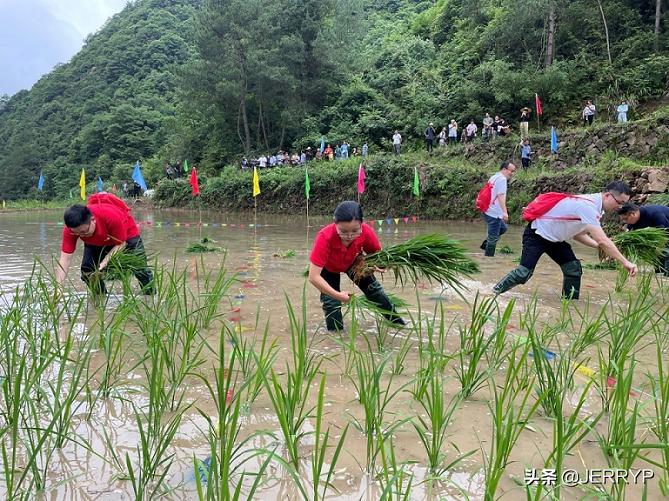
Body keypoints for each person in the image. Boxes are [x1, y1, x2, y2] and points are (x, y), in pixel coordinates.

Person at [493, 181, 638, 299]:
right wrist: (625, 262)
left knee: (573, 269)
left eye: (623, 204)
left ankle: (569, 305)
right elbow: (603, 240)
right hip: (537, 235)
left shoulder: (596, 207)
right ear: (607, 196)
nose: (620, 207)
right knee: (523, 273)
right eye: (619, 202)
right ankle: (493, 293)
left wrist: (598, 246)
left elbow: (578, 235)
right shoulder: (588, 206)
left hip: (556, 241)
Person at [308, 201, 405, 331]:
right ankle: (336, 338)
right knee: (332, 304)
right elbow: (313, 277)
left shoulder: (366, 232)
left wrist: (380, 266)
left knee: (375, 291)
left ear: (362, 223)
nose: (349, 236)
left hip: (353, 262)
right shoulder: (325, 237)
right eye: (343, 231)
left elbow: (378, 257)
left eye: (355, 231)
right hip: (329, 267)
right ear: (334, 223)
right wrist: (338, 296)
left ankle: (398, 325)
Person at [55, 195, 154, 296]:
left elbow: (121, 244)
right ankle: (100, 298)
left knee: (141, 269)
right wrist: (58, 288)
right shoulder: (71, 230)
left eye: (84, 232)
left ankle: (151, 297)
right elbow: (65, 259)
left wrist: (104, 263)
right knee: (88, 273)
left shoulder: (111, 217)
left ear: (93, 220)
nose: (81, 236)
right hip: (97, 241)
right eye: (77, 233)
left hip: (126, 236)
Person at [618, 202, 669, 275]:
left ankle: (667, 273)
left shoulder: (654, 214)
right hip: (662, 232)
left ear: (633, 214)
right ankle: (659, 271)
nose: (624, 222)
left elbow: (665, 233)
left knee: (665, 250)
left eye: (625, 219)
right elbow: (629, 232)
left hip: (666, 230)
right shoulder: (634, 220)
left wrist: (659, 247)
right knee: (655, 250)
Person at [480, 162, 516, 257]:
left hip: (488, 210)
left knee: (503, 228)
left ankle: (485, 245)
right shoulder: (502, 179)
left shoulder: (494, 176)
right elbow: (501, 196)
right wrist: (505, 212)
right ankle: (489, 259)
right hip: (494, 213)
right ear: (504, 169)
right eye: (511, 171)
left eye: (513, 171)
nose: (512, 173)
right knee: (493, 238)